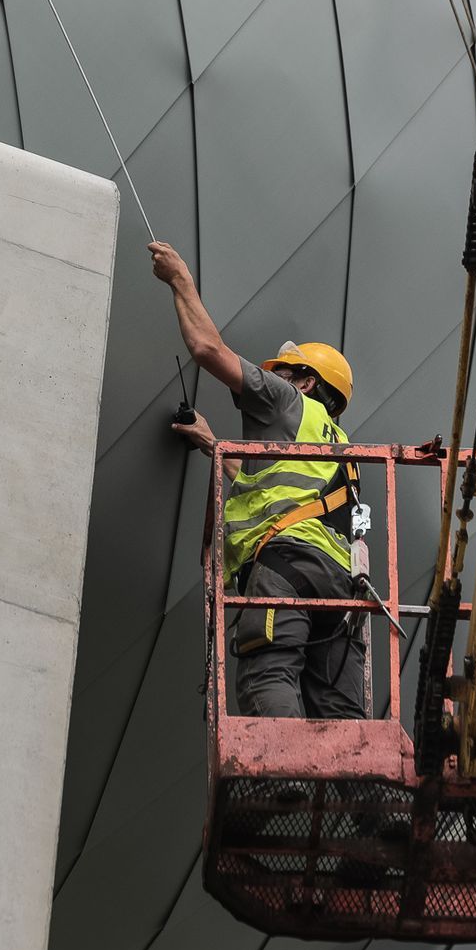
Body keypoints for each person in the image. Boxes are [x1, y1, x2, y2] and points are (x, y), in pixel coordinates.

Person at [148, 240, 366, 720]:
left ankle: (280, 786)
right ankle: (354, 793)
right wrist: (213, 444)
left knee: (269, 671)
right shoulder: (341, 446)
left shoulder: (287, 401)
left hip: (287, 564)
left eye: (284, 372)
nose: (273, 378)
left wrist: (180, 279)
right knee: (339, 712)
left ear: (305, 382)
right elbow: (274, 484)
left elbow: (208, 349)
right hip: (341, 588)